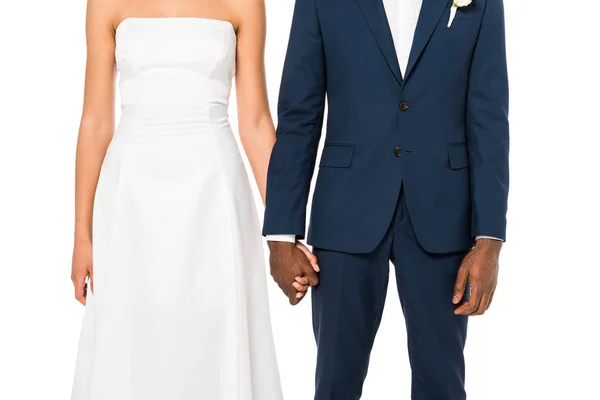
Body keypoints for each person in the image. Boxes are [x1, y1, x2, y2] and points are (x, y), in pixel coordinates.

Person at [69, 0, 315, 398]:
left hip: (214, 193)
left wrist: (286, 229)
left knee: (213, 331)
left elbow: (255, 121)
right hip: (130, 197)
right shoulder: (104, 3)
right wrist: (82, 235)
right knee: (132, 333)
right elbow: (95, 120)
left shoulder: (246, 3)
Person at [264, 0, 509, 398]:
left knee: (442, 385)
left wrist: (489, 240)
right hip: (345, 210)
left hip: (443, 213)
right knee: (335, 384)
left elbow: (490, 119)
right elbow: (298, 115)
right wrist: (281, 232)